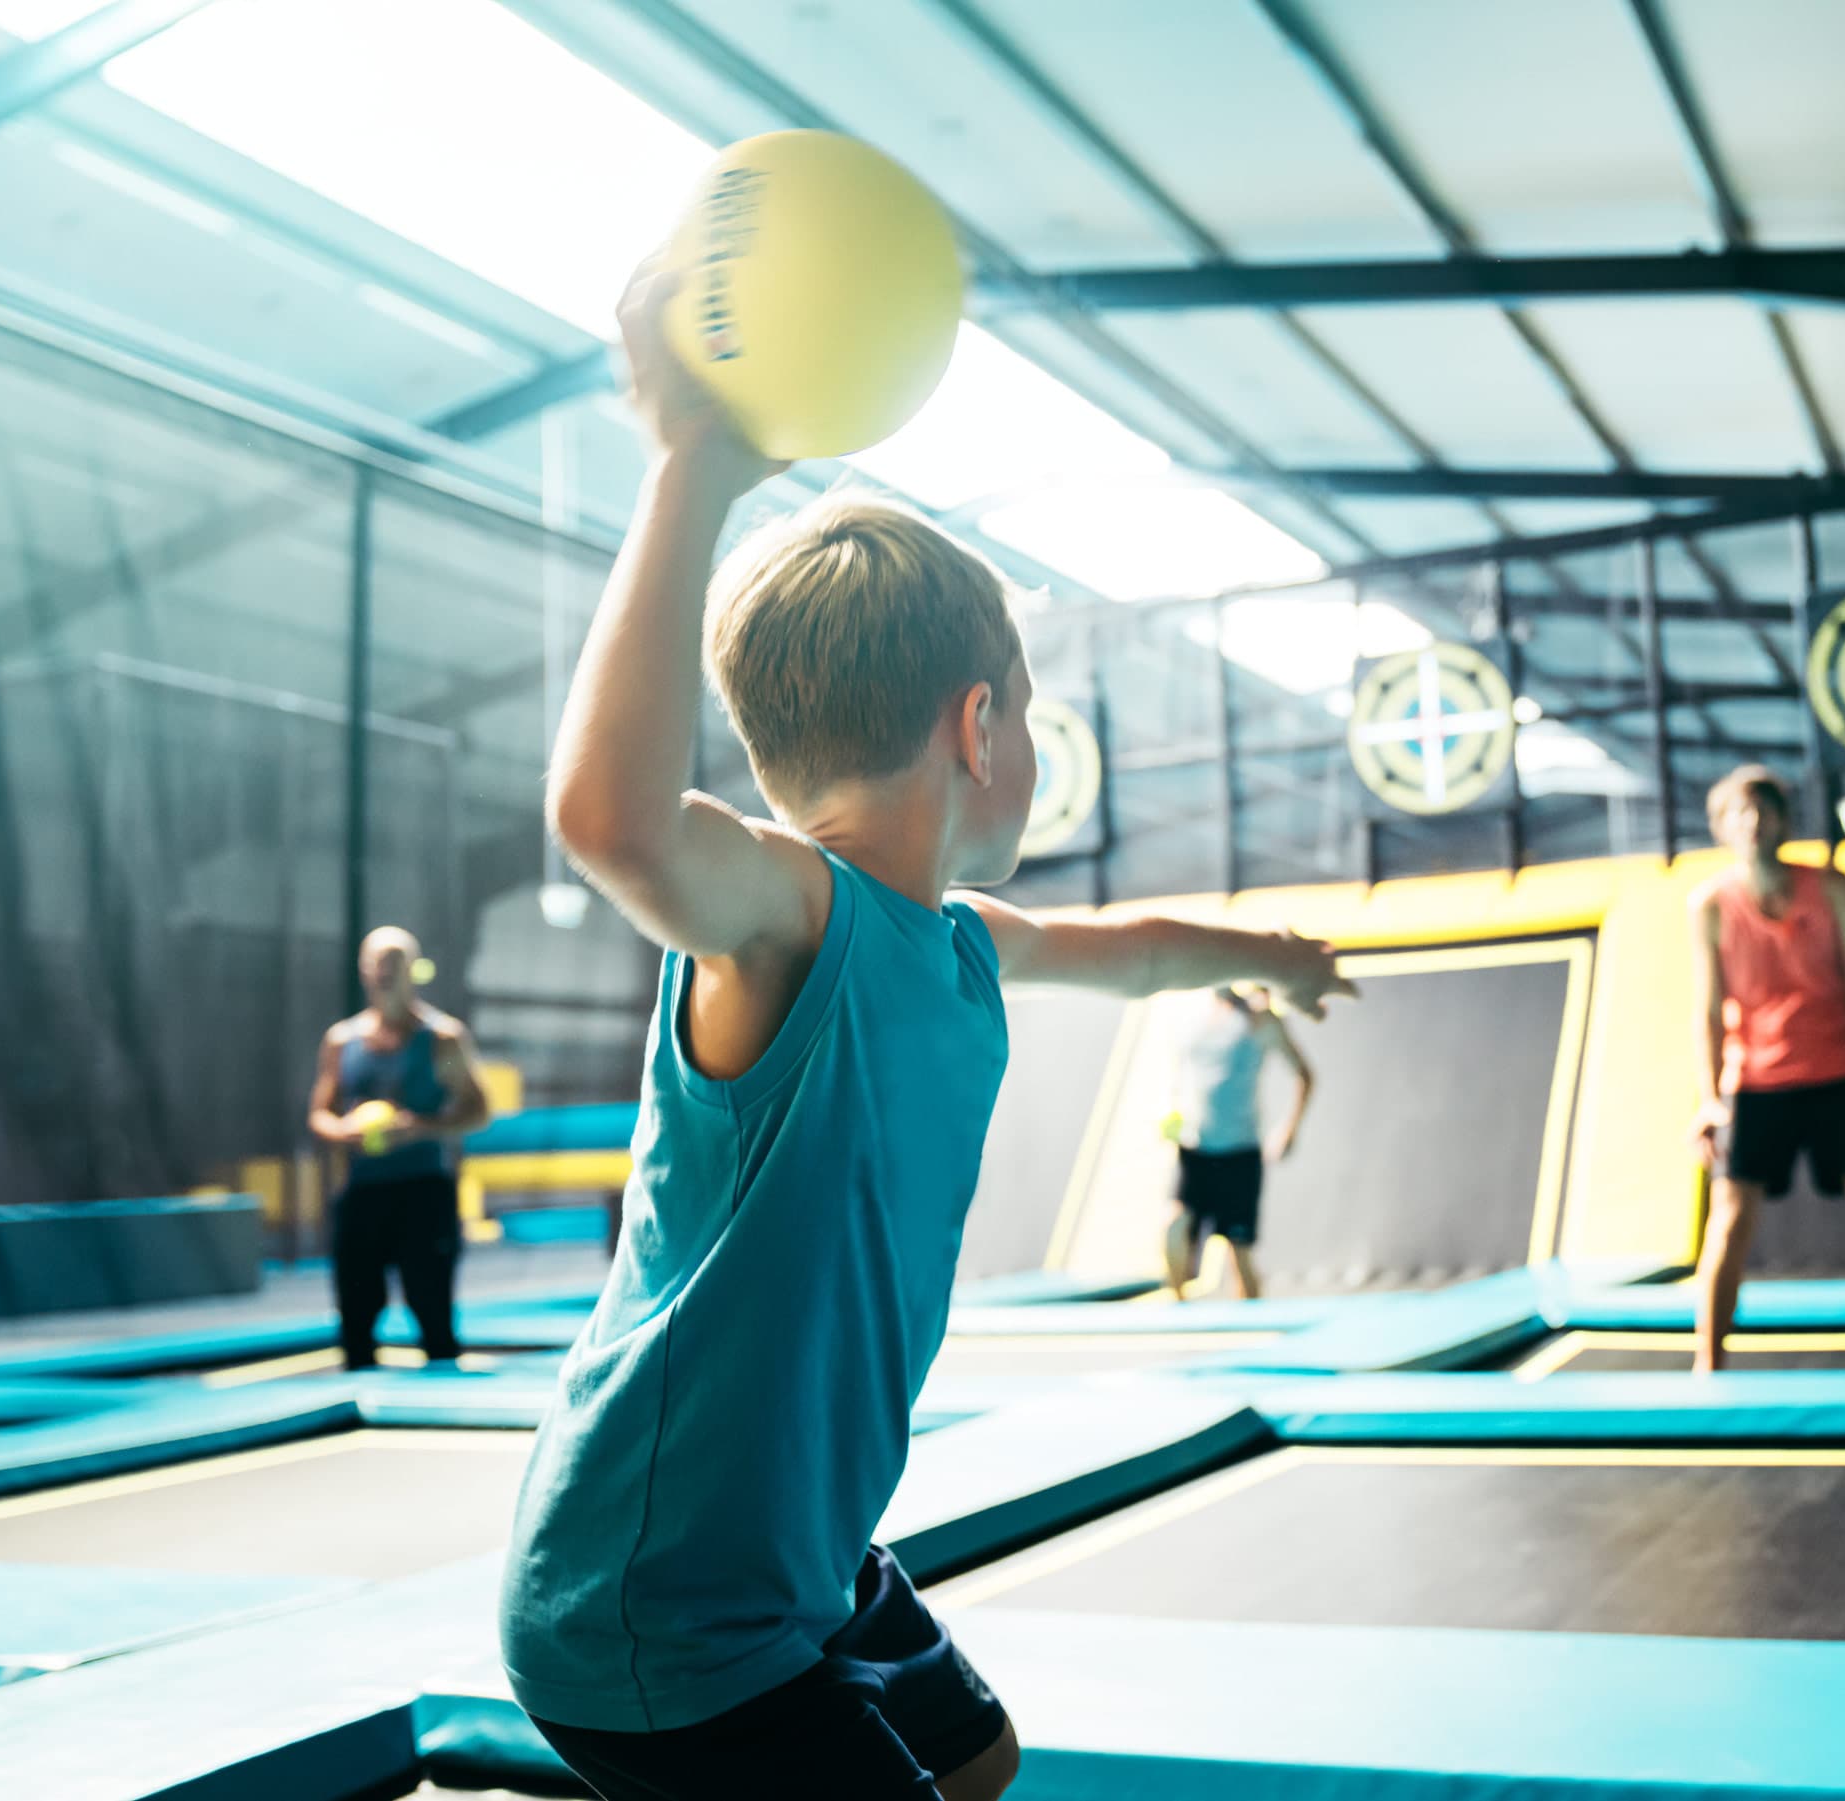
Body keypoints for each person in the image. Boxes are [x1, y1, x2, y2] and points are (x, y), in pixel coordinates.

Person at [498, 258, 1354, 1801]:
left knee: (980, 1761)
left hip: (803, 1560)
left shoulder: (954, 944)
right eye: (1028, 714)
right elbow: (610, 819)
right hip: (665, 1604)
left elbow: (1135, 948)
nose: (1026, 743)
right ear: (979, 725)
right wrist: (694, 463)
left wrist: (1273, 952)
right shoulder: (788, 922)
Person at [1689, 766, 1845, 1374]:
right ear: (1722, 828)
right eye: (1738, 813)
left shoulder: (1831, 889)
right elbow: (1708, 1009)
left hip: (1838, 1074)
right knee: (1728, 1224)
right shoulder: (1711, 905)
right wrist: (1708, 1099)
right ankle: (1705, 1364)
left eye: (1762, 810)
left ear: (1782, 821)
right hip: (1755, 1082)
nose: (1752, 822)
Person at [306, 926, 492, 1372]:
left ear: (413, 970)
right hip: (362, 1194)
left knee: (433, 1315)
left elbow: (478, 1109)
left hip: (423, 1194)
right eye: (376, 963)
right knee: (355, 1320)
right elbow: (319, 1114)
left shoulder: (443, 1037)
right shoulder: (341, 1041)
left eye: (394, 964)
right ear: (363, 971)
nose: (384, 973)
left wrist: (419, 1128)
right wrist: (344, 1131)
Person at [1165, 984, 1313, 1300]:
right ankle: (1178, 1312)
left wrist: (1289, 1129)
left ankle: (1255, 1334)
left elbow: (1304, 1074)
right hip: (1195, 1147)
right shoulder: (1195, 1014)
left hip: (1239, 1152)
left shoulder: (1262, 1021)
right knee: (1175, 1227)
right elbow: (1187, 1075)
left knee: (1239, 1251)